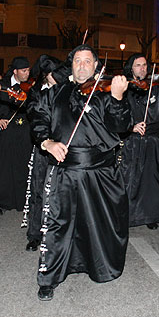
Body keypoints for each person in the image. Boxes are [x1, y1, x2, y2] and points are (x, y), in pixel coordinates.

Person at [29, 44, 131, 301]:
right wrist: (47, 142)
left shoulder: (107, 92)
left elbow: (122, 126)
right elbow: (38, 119)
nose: (82, 65)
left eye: (88, 61)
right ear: (71, 64)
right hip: (65, 169)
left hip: (101, 172)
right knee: (57, 226)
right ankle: (49, 278)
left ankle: (101, 266)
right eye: (77, 61)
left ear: (96, 65)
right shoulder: (54, 93)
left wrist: (118, 99)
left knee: (101, 224)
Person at [120, 54, 159, 230]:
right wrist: (131, 126)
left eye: (144, 65)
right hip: (133, 140)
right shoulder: (125, 88)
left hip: (155, 140)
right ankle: (128, 215)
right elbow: (117, 113)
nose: (142, 68)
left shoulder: (156, 88)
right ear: (131, 68)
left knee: (154, 181)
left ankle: (151, 215)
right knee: (131, 180)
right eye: (138, 65)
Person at [22, 55, 68, 251]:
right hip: (43, 147)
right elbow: (33, 114)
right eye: (50, 74)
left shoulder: (68, 89)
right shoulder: (36, 92)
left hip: (65, 146)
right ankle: (34, 234)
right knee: (39, 190)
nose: (53, 77)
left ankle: (61, 232)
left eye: (56, 73)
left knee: (63, 192)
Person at [0, 57, 33, 216]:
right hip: (7, 129)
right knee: (5, 166)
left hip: (25, 130)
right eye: (24, 71)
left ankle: (22, 201)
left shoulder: (30, 87)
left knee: (23, 165)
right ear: (15, 71)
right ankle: (1, 202)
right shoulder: (2, 86)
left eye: (28, 70)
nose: (27, 74)